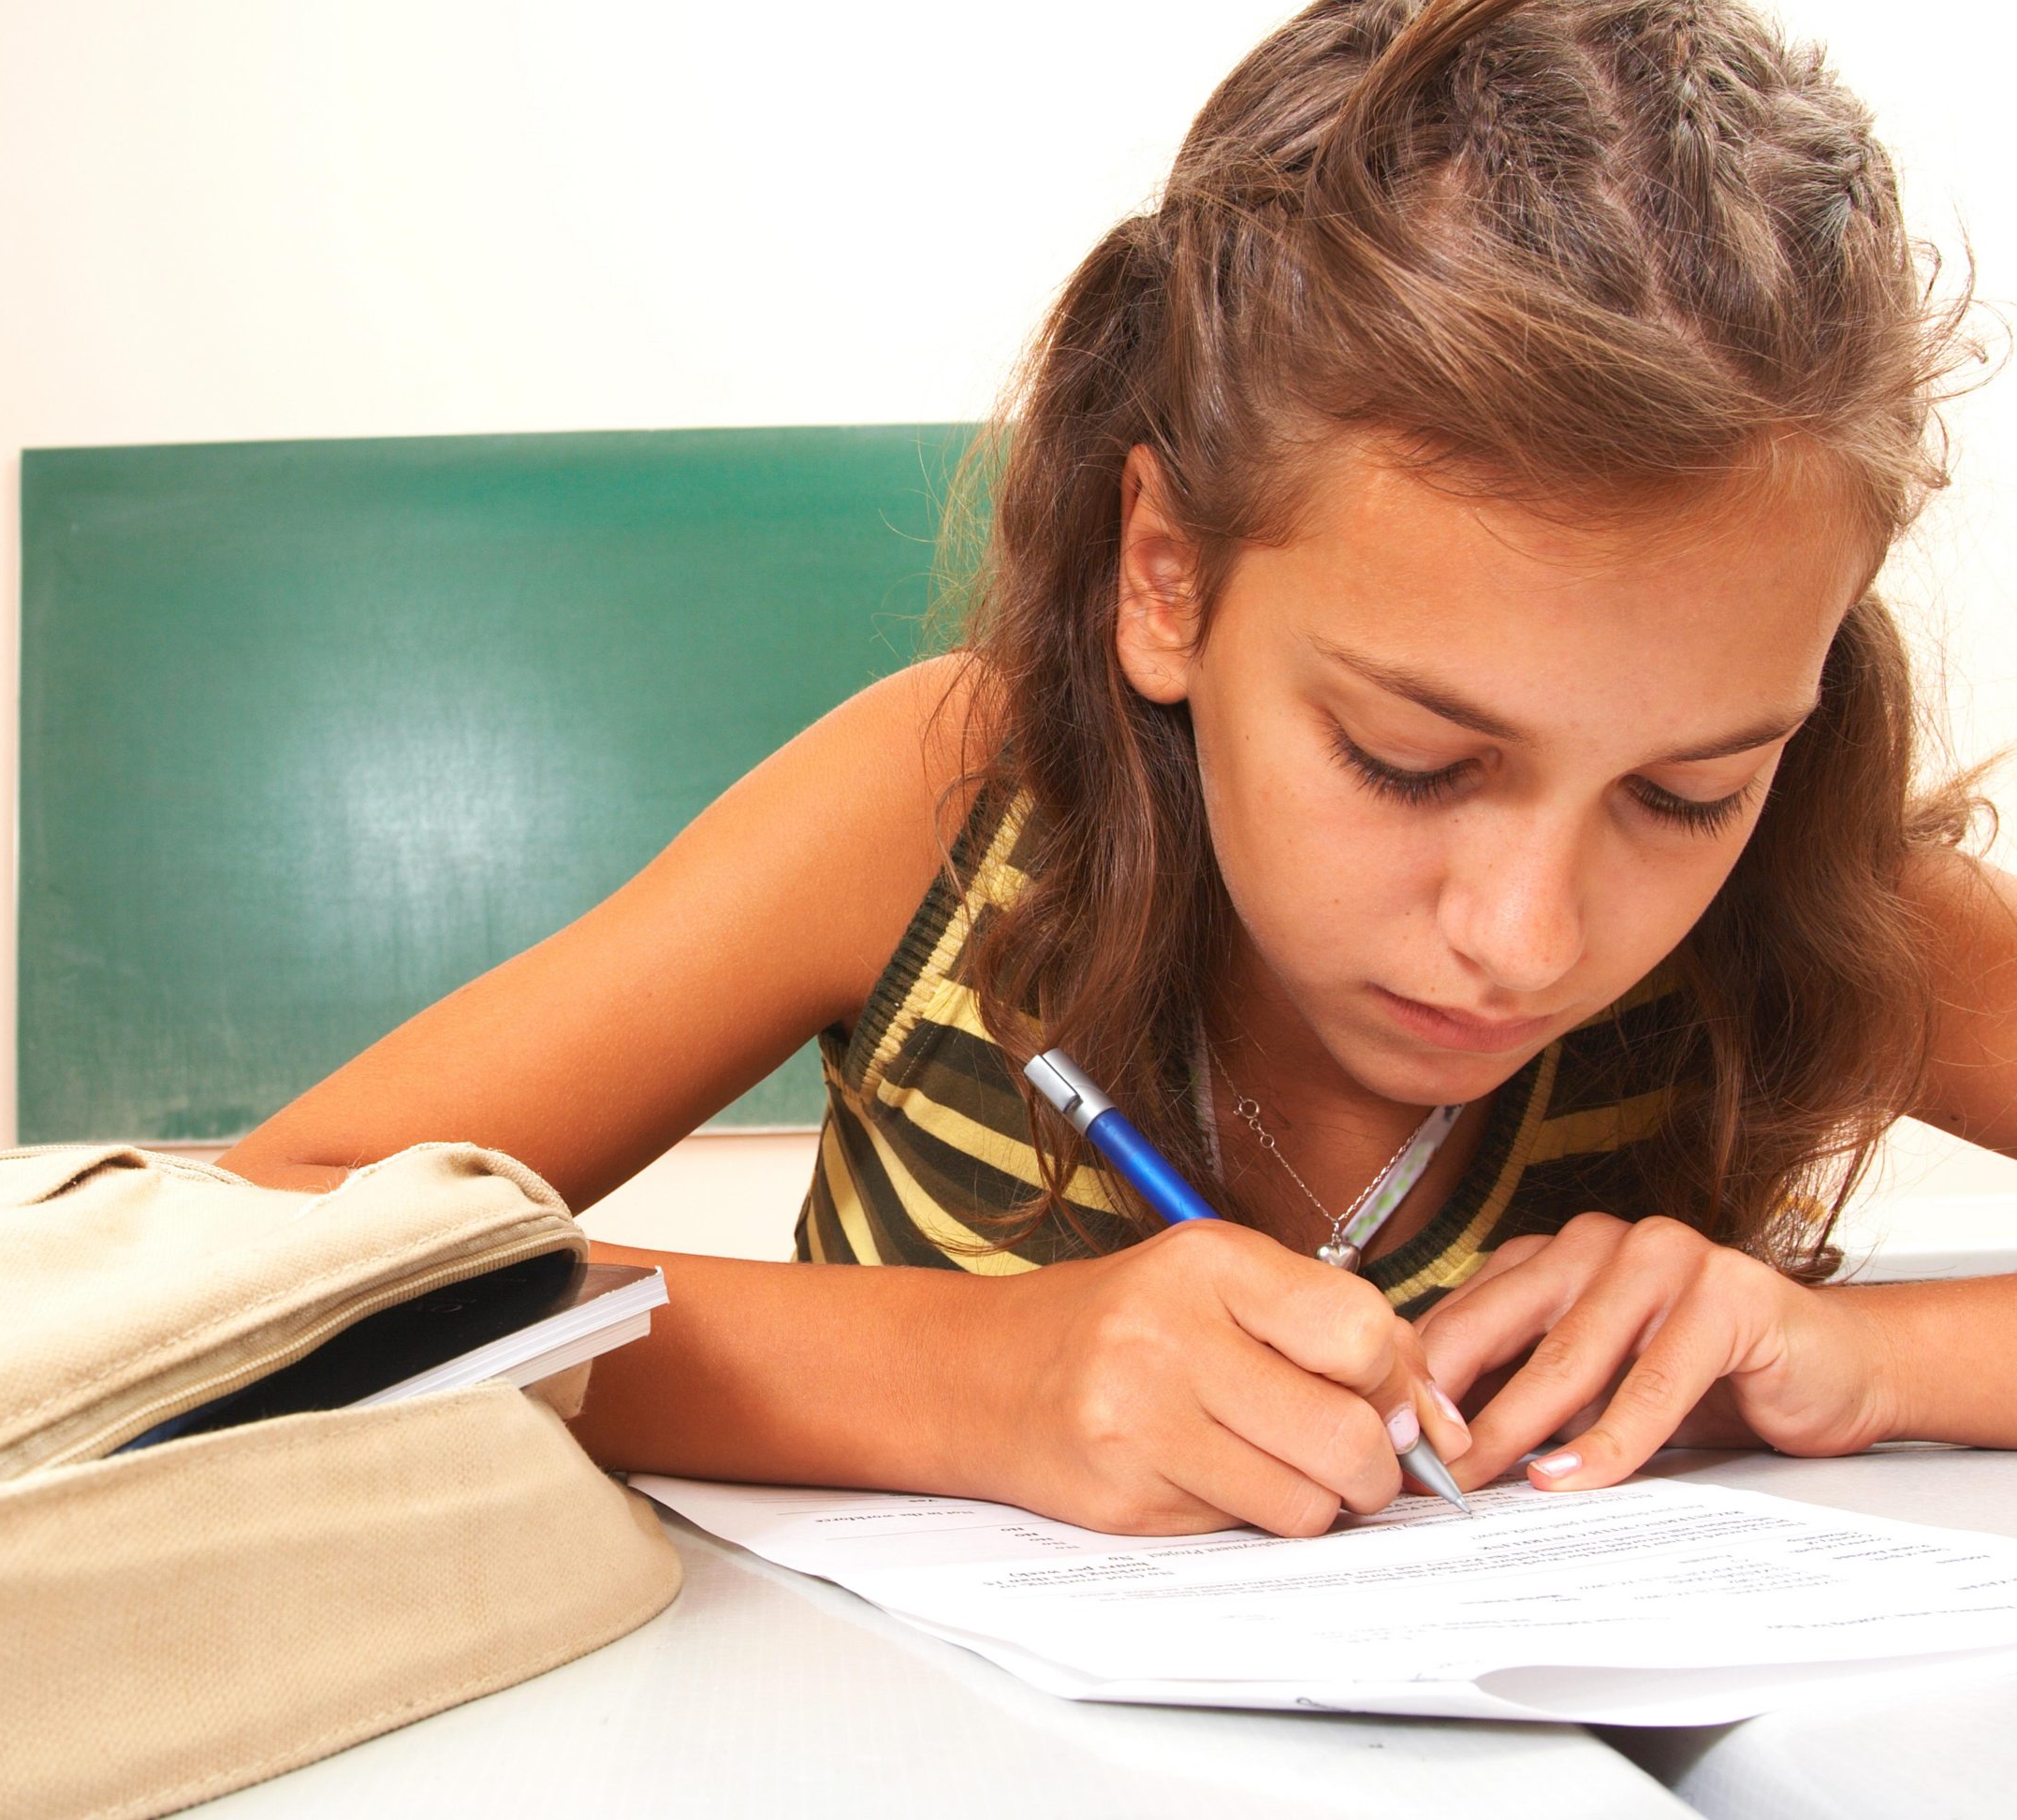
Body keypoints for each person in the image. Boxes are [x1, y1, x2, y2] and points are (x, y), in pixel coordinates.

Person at [220, 0, 2017, 1538]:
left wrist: (1869, 1360)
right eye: (1407, 759)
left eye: (1685, 795)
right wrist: (968, 1385)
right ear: (1169, 578)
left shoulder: (1812, 886)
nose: (1527, 937)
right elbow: (251, 1259)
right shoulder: (946, 802)